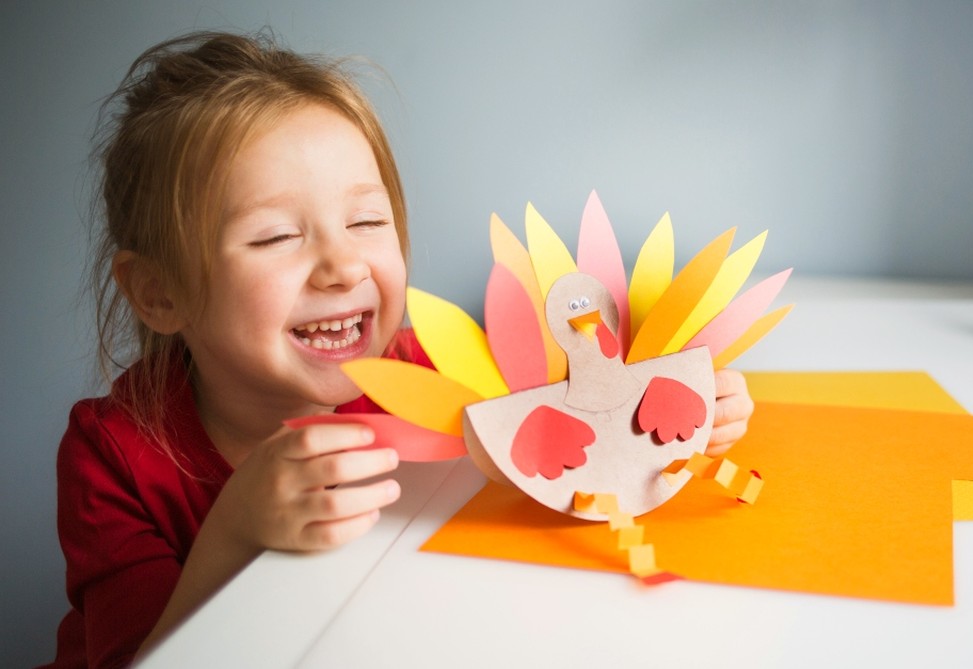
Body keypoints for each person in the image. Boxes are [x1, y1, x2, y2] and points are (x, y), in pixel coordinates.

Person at [46, 30, 754, 668]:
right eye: (274, 237)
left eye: (365, 220)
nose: (343, 266)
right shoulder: (111, 455)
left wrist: (672, 411)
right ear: (159, 292)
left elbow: (580, 417)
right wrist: (233, 528)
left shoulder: (428, 375)